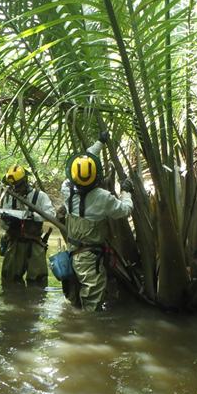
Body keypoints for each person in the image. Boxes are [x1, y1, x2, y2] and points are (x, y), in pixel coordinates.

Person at [60, 131, 134, 311]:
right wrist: (126, 192)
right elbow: (125, 210)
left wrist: (100, 142)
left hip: (71, 253)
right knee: (91, 305)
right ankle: (90, 332)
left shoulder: (66, 188)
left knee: (75, 300)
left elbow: (86, 161)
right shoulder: (102, 197)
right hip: (89, 259)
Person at [0, 164, 56, 286]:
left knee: (38, 281)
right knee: (9, 279)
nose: (15, 189)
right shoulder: (9, 197)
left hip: (34, 244)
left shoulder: (40, 196)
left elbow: (51, 214)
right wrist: (6, 220)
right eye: (13, 186)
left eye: (18, 186)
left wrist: (32, 216)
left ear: (25, 181)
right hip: (14, 243)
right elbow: (3, 225)